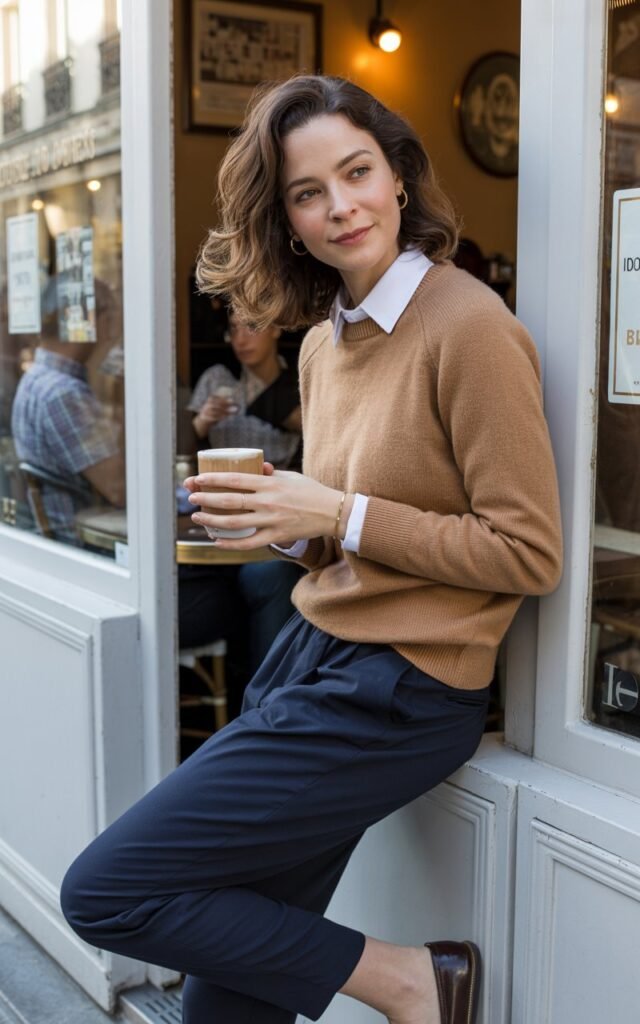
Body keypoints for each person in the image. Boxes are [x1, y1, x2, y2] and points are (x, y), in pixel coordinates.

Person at [60, 75, 563, 1024]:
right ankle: (403, 983)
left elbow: (525, 551)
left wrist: (333, 507)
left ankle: (413, 982)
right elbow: (351, 535)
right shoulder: (325, 346)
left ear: (399, 176)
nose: (341, 206)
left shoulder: (470, 327)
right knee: (227, 1003)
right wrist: (287, 525)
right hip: (310, 659)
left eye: (358, 172)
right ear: (287, 221)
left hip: (403, 689)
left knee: (105, 891)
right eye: (307, 192)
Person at [179, 309, 304, 693]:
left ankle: (264, 695)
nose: (241, 339)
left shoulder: (299, 379)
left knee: (268, 574)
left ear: (277, 328)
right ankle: (237, 685)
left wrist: (278, 405)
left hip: (275, 514)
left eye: (252, 327)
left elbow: (317, 437)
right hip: (215, 515)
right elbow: (180, 451)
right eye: (233, 329)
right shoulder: (218, 379)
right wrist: (201, 423)